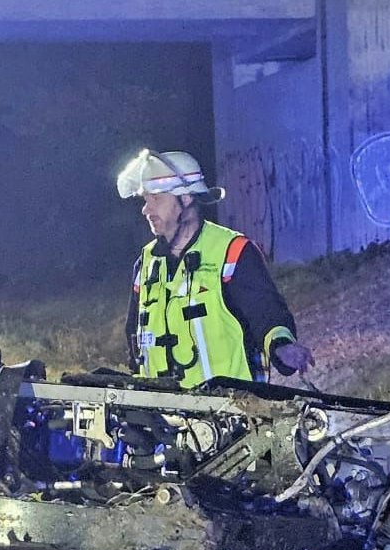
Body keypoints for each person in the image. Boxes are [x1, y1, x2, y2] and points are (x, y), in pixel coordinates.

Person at [117, 149, 309, 387]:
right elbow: (134, 338)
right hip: (164, 418)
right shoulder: (146, 264)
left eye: (156, 198)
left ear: (186, 198)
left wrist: (281, 346)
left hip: (231, 413)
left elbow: (267, 313)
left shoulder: (232, 252)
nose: (146, 210)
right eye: (145, 200)